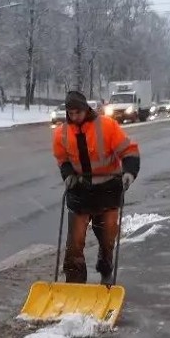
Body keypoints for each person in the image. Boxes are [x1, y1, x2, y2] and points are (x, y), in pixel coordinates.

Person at [53, 90, 140, 284]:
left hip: (107, 190)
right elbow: (62, 159)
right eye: (70, 113)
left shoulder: (107, 126)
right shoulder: (62, 132)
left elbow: (129, 150)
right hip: (80, 192)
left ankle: (105, 266)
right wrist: (68, 175)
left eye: (78, 112)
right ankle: (75, 283)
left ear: (86, 109)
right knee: (74, 243)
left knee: (107, 237)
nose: (74, 117)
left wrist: (129, 172)